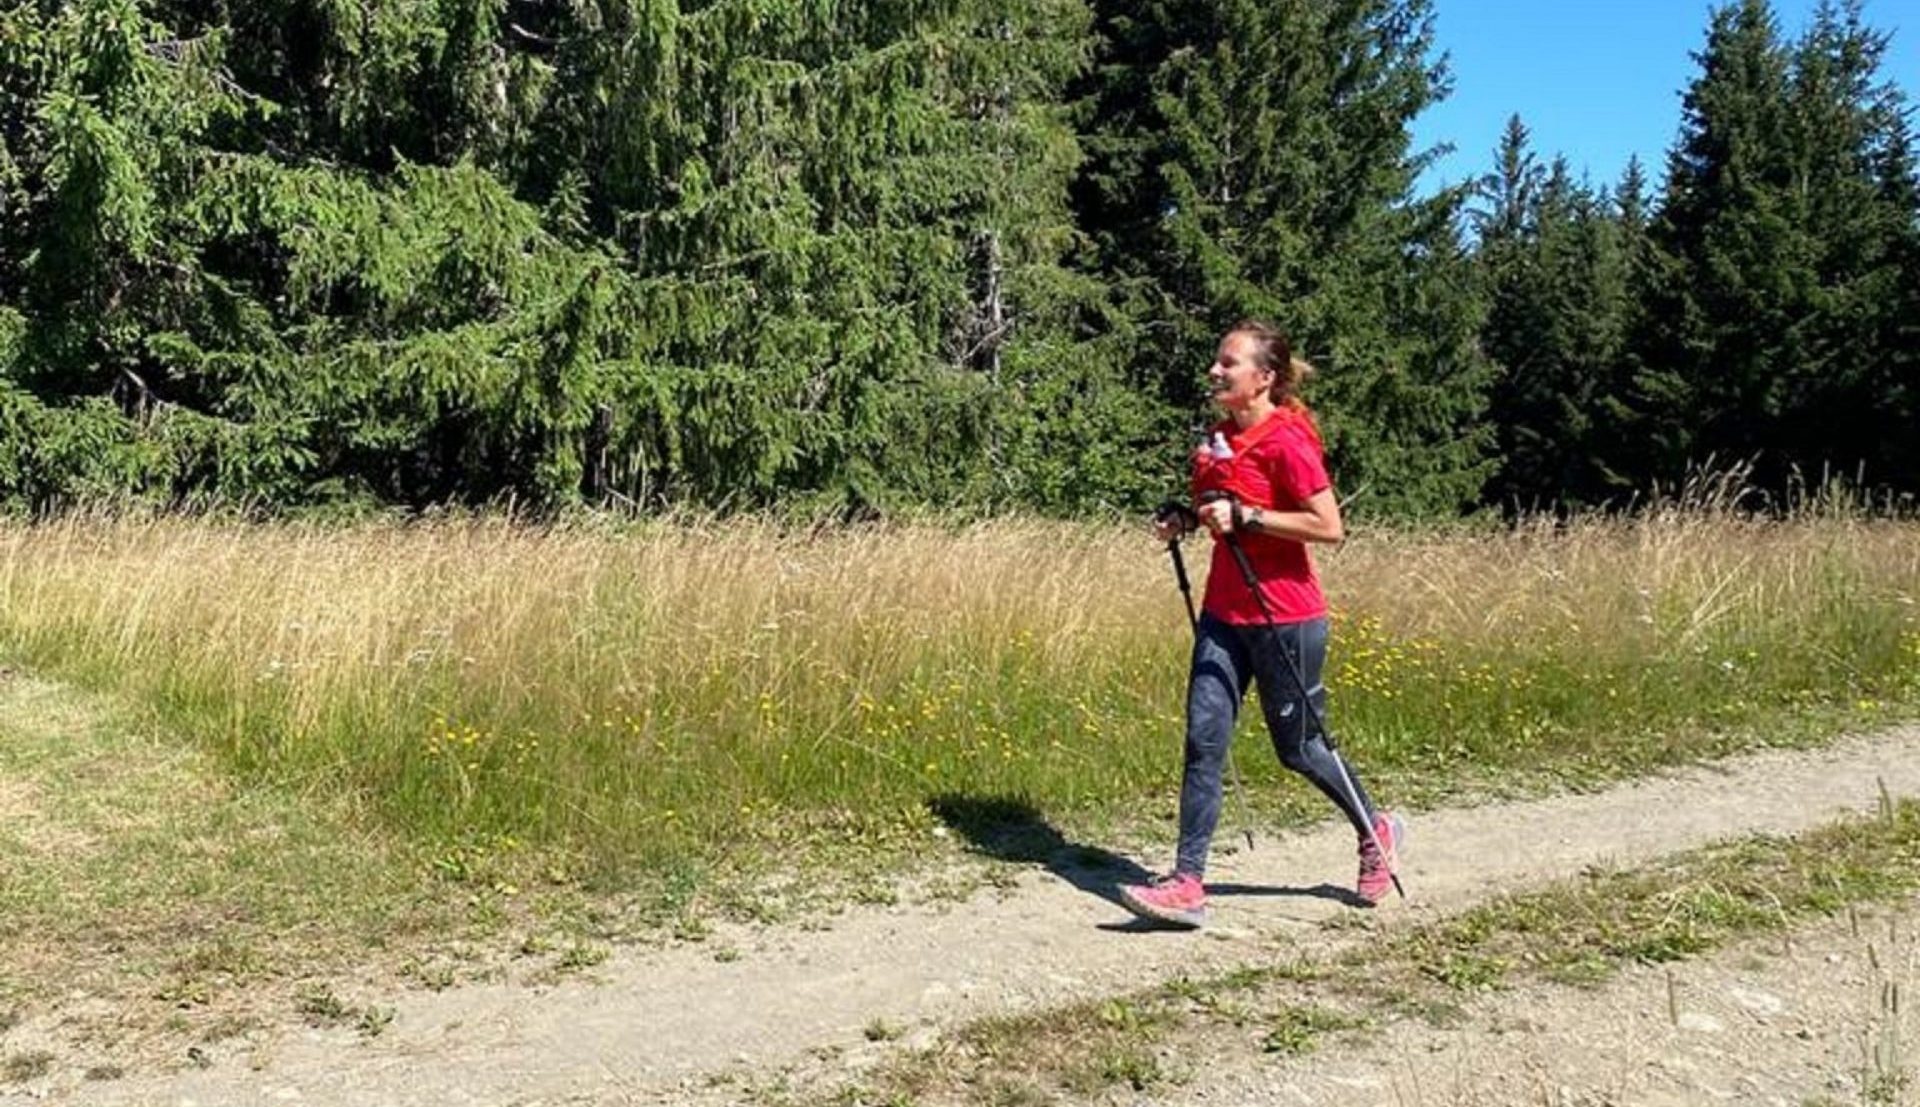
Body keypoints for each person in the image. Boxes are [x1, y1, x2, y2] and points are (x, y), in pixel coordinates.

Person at [1118, 320, 1401, 928]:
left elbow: (1329, 527)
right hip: (1225, 612)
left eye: (1229, 364)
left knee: (1300, 751)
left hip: (1286, 616)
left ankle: (1374, 829)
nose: (1215, 371)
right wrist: (1184, 518)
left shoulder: (1288, 441)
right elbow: (1211, 508)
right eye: (1217, 362)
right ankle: (1188, 882)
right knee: (1204, 739)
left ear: (1264, 378)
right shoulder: (1217, 439)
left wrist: (1248, 514)